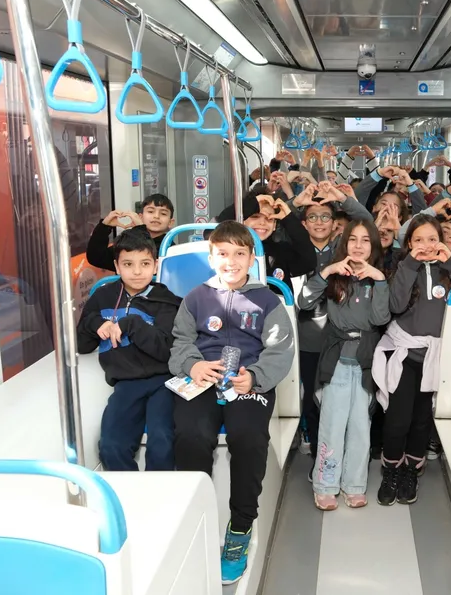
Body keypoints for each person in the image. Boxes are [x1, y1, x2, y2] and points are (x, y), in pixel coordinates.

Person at [168, 221, 295, 585]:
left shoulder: (268, 301)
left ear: (252, 259)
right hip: (204, 380)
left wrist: (254, 376)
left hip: (248, 381)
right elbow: (180, 342)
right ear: (211, 258)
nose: (231, 261)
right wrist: (193, 365)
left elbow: (280, 350)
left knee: (247, 436)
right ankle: (197, 518)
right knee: (191, 434)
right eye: (223, 253)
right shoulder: (195, 299)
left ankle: (240, 527)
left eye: (240, 253)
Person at [372, 214, 451, 505]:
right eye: (418, 240)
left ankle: (411, 471)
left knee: (421, 420)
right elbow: (396, 304)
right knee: (397, 420)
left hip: (437, 357)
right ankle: (391, 468)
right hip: (405, 354)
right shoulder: (403, 267)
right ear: (409, 243)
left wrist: (449, 260)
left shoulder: (449, 269)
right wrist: (410, 264)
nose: (426, 245)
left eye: (432, 239)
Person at [298, 219, 390, 510]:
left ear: (374, 246)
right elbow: (304, 302)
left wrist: (379, 280)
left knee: (361, 426)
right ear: (344, 243)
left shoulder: (378, 279)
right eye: (353, 239)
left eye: (365, 240)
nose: (358, 246)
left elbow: (379, 319)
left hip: (365, 363)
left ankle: (354, 485)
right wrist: (327, 272)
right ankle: (326, 484)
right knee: (333, 424)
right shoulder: (334, 275)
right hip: (336, 361)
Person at [76, 229, 181, 471]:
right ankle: (132, 493)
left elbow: (166, 350)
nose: (136, 271)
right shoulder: (103, 297)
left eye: (144, 263)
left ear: (155, 266)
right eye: (128, 264)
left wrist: (131, 324)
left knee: (162, 442)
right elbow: (82, 345)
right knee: (111, 447)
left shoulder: (167, 301)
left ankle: (160, 493)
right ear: (116, 266)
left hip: (163, 382)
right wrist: (95, 323)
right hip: (125, 384)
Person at [86, 193, 174, 271]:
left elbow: (149, 259)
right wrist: (104, 227)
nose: (156, 216)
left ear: (170, 222)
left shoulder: (170, 248)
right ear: (140, 217)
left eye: (163, 213)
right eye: (151, 211)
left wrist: (140, 229)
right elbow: (96, 258)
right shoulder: (128, 242)